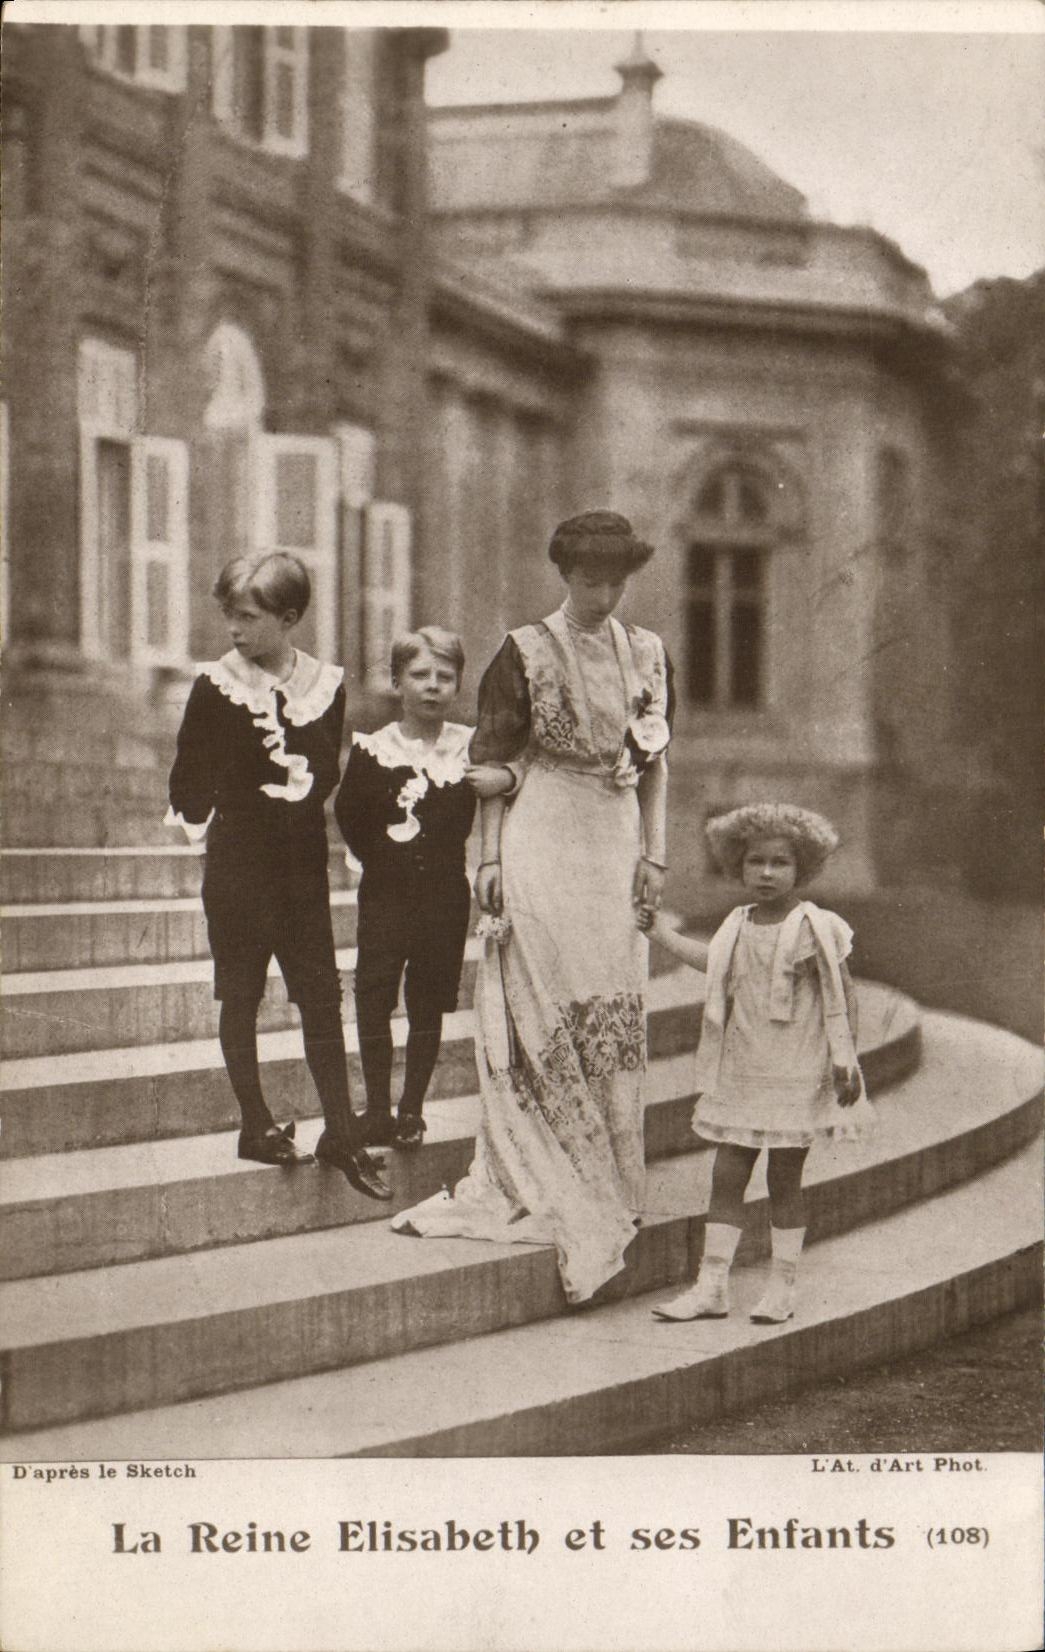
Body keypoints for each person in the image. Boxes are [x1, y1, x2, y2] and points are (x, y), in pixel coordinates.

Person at [392, 510, 673, 1304]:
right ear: (564, 574)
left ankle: (608, 1175)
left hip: (612, 839)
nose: (603, 594)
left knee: (608, 1002)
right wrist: (485, 858)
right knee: (542, 997)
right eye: (589, 579)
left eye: (616, 580)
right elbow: (493, 762)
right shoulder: (523, 650)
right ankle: (541, 1167)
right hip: (541, 830)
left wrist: (654, 855)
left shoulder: (647, 653)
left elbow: (655, 764)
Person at [166, 552, 390, 1201]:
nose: (233, 629)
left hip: (300, 862)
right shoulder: (216, 685)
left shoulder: (326, 683)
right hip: (239, 859)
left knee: (319, 992)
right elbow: (187, 781)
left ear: (288, 618)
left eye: (248, 617)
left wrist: (296, 761)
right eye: (228, 616)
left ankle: (341, 1130)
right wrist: (230, 791)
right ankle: (254, 1123)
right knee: (241, 992)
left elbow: (326, 770)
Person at [639, 802, 874, 1325]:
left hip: (796, 1069)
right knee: (727, 1173)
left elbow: (843, 993)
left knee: (784, 1178)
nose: (766, 873)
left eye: (780, 863)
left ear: (803, 869)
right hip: (743, 1064)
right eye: (754, 862)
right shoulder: (737, 924)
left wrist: (846, 1057)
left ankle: (782, 1287)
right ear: (736, 866)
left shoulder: (817, 925)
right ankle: (712, 1286)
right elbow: (714, 964)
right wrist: (657, 933)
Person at [334, 626, 506, 1150]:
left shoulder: (468, 747)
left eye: (444, 677)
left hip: (443, 900)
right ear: (396, 682)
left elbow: (498, 794)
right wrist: (387, 859)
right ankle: (378, 1108)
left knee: (428, 1004)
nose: (432, 687)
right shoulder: (374, 748)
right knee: (374, 997)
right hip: (385, 895)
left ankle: (412, 1110)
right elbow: (350, 816)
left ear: (457, 685)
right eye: (419, 675)